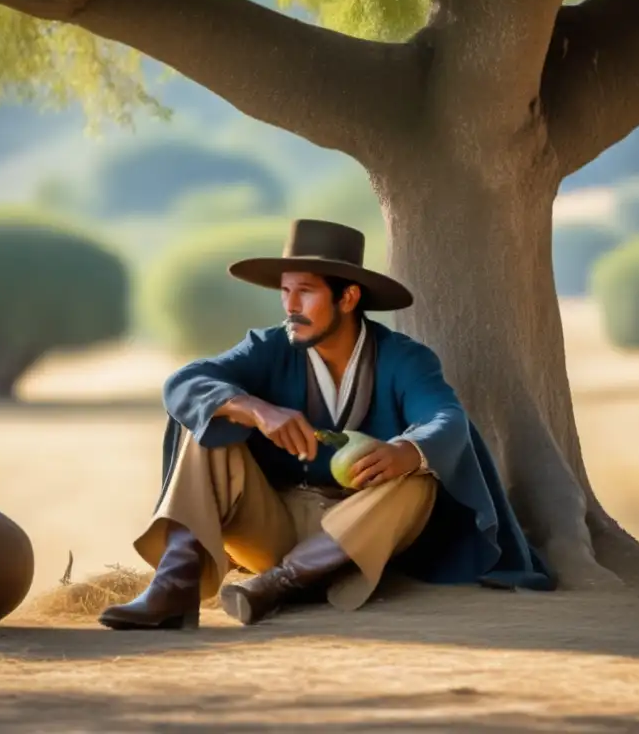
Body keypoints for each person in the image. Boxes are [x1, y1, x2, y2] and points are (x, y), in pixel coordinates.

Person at [99, 219, 555, 630]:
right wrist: (254, 408)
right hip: (271, 524)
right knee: (208, 420)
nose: (290, 305)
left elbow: (447, 418)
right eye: (284, 291)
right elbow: (185, 382)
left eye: (306, 291)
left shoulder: (404, 358)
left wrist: (404, 452)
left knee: (419, 478)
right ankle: (175, 586)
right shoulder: (268, 346)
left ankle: (279, 586)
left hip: (357, 535)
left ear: (348, 297)